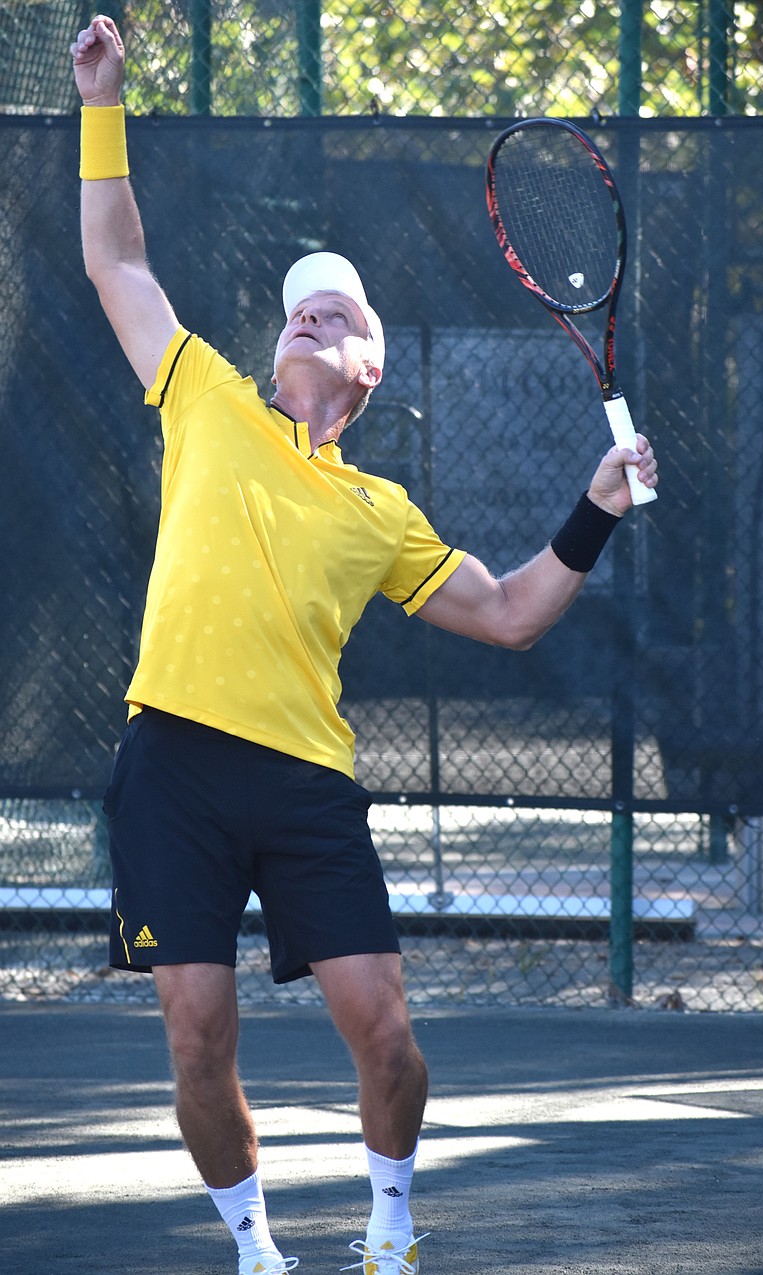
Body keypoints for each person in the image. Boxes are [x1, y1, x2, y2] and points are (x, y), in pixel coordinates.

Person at [71, 15, 659, 1275]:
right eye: (293, 311)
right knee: (194, 1031)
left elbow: (507, 613)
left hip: (304, 784)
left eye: (329, 314)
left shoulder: (379, 511)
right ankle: (255, 1250)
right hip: (172, 761)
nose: (301, 322)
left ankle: (389, 1232)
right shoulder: (204, 398)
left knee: (385, 1034)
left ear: (367, 368)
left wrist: (594, 511)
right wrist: (103, 105)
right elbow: (117, 261)